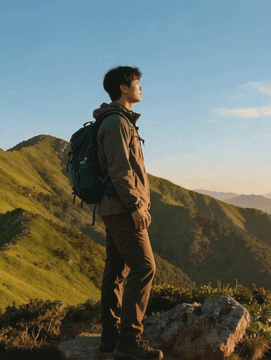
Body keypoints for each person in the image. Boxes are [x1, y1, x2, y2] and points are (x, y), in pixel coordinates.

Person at [93, 66, 163, 360]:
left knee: (116, 271)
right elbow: (120, 171)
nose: (141, 88)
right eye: (138, 83)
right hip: (122, 208)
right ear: (124, 87)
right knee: (145, 267)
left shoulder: (117, 122)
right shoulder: (117, 124)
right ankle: (129, 343)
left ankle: (109, 339)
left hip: (113, 208)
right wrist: (136, 206)